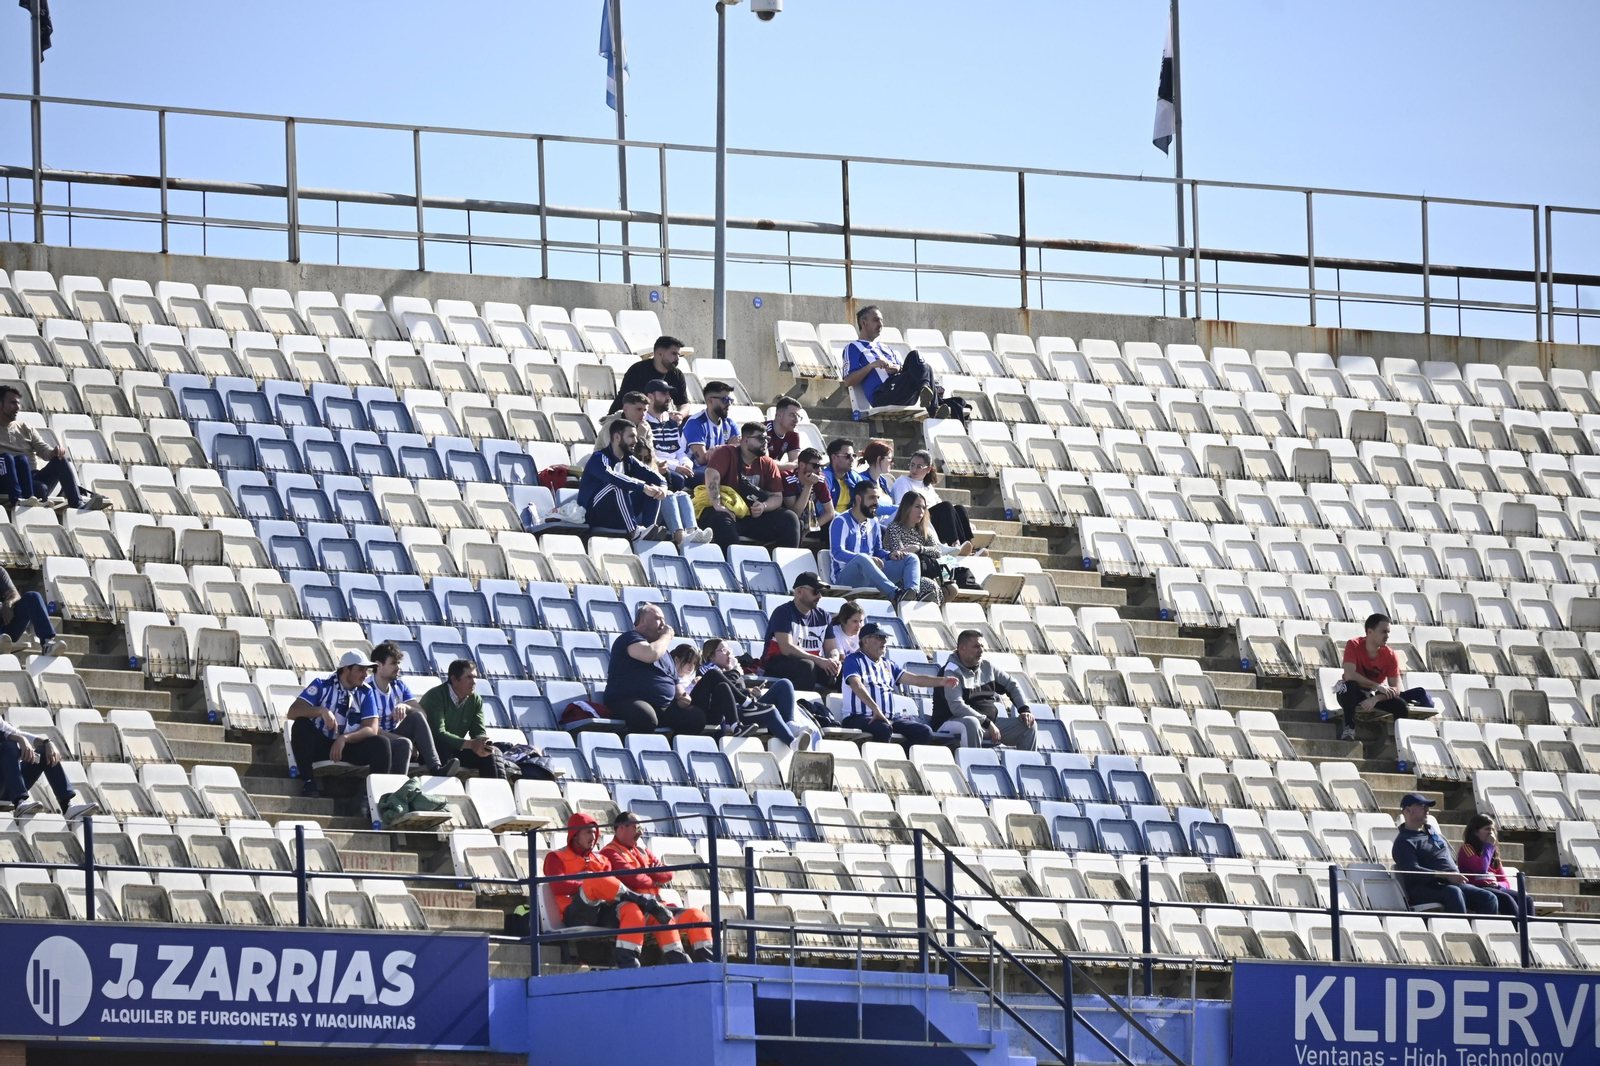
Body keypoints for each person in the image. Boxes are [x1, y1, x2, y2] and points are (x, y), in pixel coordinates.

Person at [542, 811, 680, 969]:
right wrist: (587, 882)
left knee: (631, 909)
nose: (593, 837)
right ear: (574, 834)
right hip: (575, 913)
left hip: (602, 912)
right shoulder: (556, 857)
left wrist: (596, 884)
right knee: (595, 881)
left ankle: (630, 963)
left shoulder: (602, 860)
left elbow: (612, 884)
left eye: (595, 833)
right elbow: (558, 886)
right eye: (588, 832)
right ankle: (642, 900)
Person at [601, 811, 715, 963]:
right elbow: (635, 879)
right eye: (637, 828)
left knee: (698, 916)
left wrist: (652, 876)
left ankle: (709, 966)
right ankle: (682, 965)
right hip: (638, 909)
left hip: (659, 905)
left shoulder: (643, 850)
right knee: (665, 919)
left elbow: (667, 874)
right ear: (621, 827)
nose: (641, 833)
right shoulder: (609, 853)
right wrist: (655, 878)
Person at [286, 650, 398, 797]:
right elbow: (293, 711)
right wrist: (321, 711)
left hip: (348, 747)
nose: (365, 675)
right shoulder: (322, 684)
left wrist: (344, 739)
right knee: (301, 725)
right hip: (321, 745)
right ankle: (308, 782)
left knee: (381, 743)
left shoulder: (365, 691)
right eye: (360, 670)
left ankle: (377, 796)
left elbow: (372, 728)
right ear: (346, 669)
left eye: (366, 670)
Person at [839, 622, 958, 743]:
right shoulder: (853, 660)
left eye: (885, 638)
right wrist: (875, 709)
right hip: (858, 717)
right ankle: (880, 760)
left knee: (924, 731)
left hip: (888, 718)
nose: (884, 641)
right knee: (882, 729)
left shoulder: (888, 664)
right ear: (865, 641)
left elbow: (915, 679)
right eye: (878, 637)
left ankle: (903, 758)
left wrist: (942, 681)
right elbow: (856, 684)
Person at [696, 637, 821, 749]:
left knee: (784, 684)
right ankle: (792, 743)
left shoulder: (732, 671)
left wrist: (752, 694)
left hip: (746, 708)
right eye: (723, 650)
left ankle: (790, 724)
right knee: (770, 710)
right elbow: (723, 688)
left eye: (729, 649)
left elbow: (737, 689)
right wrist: (735, 672)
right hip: (731, 714)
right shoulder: (707, 668)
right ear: (711, 656)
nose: (729, 652)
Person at [0, 386, 110, 512]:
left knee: (59, 460)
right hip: (6, 477)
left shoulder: (25, 428)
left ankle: (77, 504)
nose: (17, 407)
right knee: (38, 487)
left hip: (31, 476)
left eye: (18, 403)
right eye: (13, 403)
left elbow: (42, 448)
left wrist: (53, 452)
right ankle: (22, 497)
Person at [1391, 793, 1502, 915]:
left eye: (1427, 806)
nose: (1427, 809)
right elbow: (1412, 871)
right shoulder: (1403, 842)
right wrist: (1445, 875)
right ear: (1407, 810)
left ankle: (1484, 932)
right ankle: (1459, 932)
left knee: (1488, 897)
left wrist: (1451, 876)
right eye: (1422, 806)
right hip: (1424, 888)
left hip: (1450, 883)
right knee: (1453, 893)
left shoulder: (1432, 833)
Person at [698, 421, 803, 548]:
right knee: (722, 520)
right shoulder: (726, 452)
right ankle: (733, 563)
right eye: (761, 438)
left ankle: (783, 565)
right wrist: (717, 504)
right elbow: (711, 474)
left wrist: (764, 506)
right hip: (724, 510)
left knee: (790, 518)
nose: (765, 442)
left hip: (751, 515)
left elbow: (777, 496)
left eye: (767, 438)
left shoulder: (768, 463)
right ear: (746, 440)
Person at [604, 604, 707, 733]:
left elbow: (675, 682)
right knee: (646, 718)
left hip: (663, 706)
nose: (663, 624)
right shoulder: (630, 638)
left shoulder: (664, 652)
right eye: (658, 619)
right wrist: (667, 636)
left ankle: (670, 748)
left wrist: (681, 696)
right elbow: (650, 654)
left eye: (664, 620)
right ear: (644, 621)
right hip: (628, 700)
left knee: (696, 718)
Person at [367, 642, 459, 777]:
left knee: (416, 717)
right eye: (393, 663)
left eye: (398, 663)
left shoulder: (399, 685)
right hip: (374, 739)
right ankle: (397, 788)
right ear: (378, 665)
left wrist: (407, 707)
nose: (398, 667)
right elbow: (370, 729)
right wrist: (402, 738)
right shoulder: (366, 689)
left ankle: (436, 768)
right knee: (403, 743)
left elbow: (422, 713)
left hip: (394, 735)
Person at [934, 631, 1037, 749]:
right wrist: (987, 723)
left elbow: (1011, 684)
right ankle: (972, 765)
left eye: (982, 646)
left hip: (989, 723)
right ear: (962, 648)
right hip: (951, 722)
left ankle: (1023, 766)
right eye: (976, 646)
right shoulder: (950, 671)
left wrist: (1024, 709)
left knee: (1029, 726)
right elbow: (957, 707)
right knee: (972, 723)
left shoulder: (987, 667)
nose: (981, 650)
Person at [1336, 612, 1427, 742]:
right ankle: (1349, 729)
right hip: (1351, 693)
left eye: (1388, 632)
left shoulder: (1390, 655)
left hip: (1373, 696)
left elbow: (1396, 689)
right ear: (1370, 632)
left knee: (1401, 704)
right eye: (1383, 632)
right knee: (1350, 686)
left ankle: (1401, 741)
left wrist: (1376, 699)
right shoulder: (1353, 645)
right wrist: (1377, 686)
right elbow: (1350, 675)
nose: (1387, 636)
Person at [828, 481, 925, 602]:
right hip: (845, 577)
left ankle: (912, 594)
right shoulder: (840, 521)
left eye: (878, 498)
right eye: (872, 498)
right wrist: (867, 559)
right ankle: (894, 593)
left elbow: (878, 551)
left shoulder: (873, 522)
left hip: (871, 575)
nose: (876, 502)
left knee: (911, 558)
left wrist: (890, 555)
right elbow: (837, 553)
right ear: (858, 499)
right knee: (863, 558)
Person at [578, 418, 672, 541]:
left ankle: (649, 530)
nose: (636, 441)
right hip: (595, 515)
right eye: (631, 436)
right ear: (617, 437)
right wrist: (643, 486)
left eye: (636, 437)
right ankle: (634, 532)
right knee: (619, 485)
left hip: (619, 516)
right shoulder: (599, 457)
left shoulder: (629, 460)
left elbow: (656, 476)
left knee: (652, 486)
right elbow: (611, 476)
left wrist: (663, 488)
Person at [841, 305, 940, 415]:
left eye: (881, 321)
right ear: (863, 323)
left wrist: (897, 368)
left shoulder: (886, 348)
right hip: (882, 395)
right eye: (876, 320)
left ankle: (927, 394)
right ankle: (933, 409)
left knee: (920, 362)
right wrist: (871, 366)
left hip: (899, 390)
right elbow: (848, 381)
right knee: (921, 363)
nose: (880, 325)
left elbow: (904, 369)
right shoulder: (853, 347)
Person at [418, 659, 502, 779]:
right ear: (454, 679)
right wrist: (470, 744)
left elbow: (478, 731)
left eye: (475, 677)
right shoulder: (435, 696)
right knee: (442, 746)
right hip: (430, 752)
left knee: (491, 754)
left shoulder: (475, 699)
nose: (474, 682)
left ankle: (496, 794)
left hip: (455, 750)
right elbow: (437, 734)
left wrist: (481, 744)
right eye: (469, 677)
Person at [0, 715, 97, 818]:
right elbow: (12, 736)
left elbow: (15, 732)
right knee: (9, 746)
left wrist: (47, 742)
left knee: (43, 754)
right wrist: (19, 739)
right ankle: (20, 801)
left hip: (7, 786)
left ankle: (66, 806)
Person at [760, 572, 841, 691]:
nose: (820, 596)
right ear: (799, 591)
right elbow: (786, 648)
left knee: (846, 668)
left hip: (811, 663)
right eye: (816, 591)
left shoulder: (824, 616)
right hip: (778, 663)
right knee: (807, 666)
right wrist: (819, 660)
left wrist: (834, 660)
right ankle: (802, 705)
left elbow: (831, 648)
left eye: (822, 592)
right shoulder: (783, 613)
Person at [882, 490, 957, 603]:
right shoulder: (894, 528)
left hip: (924, 571)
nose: (921, 511)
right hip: (901, 575)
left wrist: (919, 548)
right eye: (917, 507)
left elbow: (937, 552)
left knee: (952, 589)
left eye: (923, 508)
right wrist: (913, 552)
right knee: (930, 585)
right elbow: (898, 555)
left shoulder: (924, 531)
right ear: (907, 508)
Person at [893, 448, 976, 547]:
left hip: (935, 521)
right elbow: (903, 507)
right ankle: (955, 544)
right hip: (921, 522)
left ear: (928, 469)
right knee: (946, 506)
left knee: (959, 508)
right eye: (912, 465)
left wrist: (965, 521)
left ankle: (968, 545)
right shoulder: (903, 481)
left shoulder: (927, 486)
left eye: (919, 467)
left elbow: (939, 503)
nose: (914, 470)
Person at [1456, 814, 1524, 918]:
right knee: (1506, 899)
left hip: (1495, 887)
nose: (1491, 833)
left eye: (1493, 829)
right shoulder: (1467, 849)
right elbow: (1481, 869)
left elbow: (1505, 881)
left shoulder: (1493, 853)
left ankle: (1531, 930)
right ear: (1475, 832)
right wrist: (1488, 846)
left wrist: (1498, 884)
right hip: (1478, 888)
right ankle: (1519, 930)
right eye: (1487, 829)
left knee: (1526, 900)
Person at [0, 564, 66, 657]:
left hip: (6, 629)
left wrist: (8, 603)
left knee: (32, 596)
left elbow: (14, 594)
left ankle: (47, 644)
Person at [611, 336, 689, 413]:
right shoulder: (638, 371)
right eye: (674, 354)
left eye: (679, 355)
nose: (677, 358)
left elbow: (684, 404)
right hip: (624, 420)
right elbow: (632, 406)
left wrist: (680, 415)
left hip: (654, 419)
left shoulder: (677, 375)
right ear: (660, 354)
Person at [644, 378, 695, 489]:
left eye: (669, 394)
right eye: (664, 394)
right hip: (658, 468)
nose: (669, 398)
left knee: (705, 476)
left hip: (677, 467)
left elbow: (680, 452)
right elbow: (651, 456)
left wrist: (686, 464)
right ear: (651, 397)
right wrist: (675, 467)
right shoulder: (643, 423)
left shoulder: (672, 421)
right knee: (678, 480)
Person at [682, 381, 737, 478]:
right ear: (710, 401)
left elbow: (740, 448)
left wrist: (717, 449)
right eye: (725, 400)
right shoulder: (696, 423)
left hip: (716, 466)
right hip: (694, 470)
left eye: (730, 400)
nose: (729, 404)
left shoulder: (729, 423)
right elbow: (702, 459)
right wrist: (729, 447)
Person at [782, 447, 836, 545]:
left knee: (834, 524)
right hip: (789, 522)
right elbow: (796, 512)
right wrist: (808, 485)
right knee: (796, 523)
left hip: (809, 521)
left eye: (821, 466)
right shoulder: (788, 478)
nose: (819, 470)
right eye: (815, 466)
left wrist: (809, 530)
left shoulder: (820, 479)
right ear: (802, 465)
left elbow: (830, 513)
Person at [858, 440, 898, 520]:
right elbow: (869, 507)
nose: (892, 463)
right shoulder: (862, 481)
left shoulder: (883, 480)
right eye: (890, 458)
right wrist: (900, 508)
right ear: (879, 459)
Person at [822, 438, 861, 515]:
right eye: (847, 456)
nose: (852, 459)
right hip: (830, 523)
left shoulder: (854, 476)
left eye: (854, 455)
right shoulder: (824, 478)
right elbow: (822, 511)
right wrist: (847, 519)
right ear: (834, 458)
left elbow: (867, 498)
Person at [765, 397, 803, 468]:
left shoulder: (793, 434)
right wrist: (794, 465)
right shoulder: (763, 431)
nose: (796, 420)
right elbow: (765, 464)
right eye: (793, 415)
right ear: (779, 414)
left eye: (798, 417)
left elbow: (796, 465)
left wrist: (795, 465)